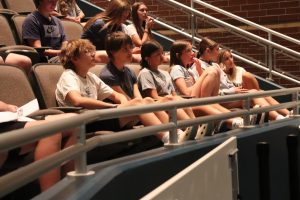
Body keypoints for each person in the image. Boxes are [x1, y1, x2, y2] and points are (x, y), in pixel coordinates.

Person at [55, 38, 181, 143]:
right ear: (74, 58)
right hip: (84, 122)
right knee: (138, 103)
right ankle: (168, 138)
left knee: (147, 101)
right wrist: (112, 107)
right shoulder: (69, 75)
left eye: (92, 50)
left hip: (99, 117)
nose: (93, 54)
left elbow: (117, 96)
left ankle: (177, 132)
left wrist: (122, 104)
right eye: (87, 51)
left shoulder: (91, 77)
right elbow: (77, 101)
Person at [99, 32, 197, 141]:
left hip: (136, 108)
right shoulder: (107, 74)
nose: (130, 52)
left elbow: (138, 98)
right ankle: (171, 136)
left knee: (166, 99)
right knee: (158, 100)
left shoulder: (129, 71)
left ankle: (191, 129)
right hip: (120, 115)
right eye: (124, 49)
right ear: (112, 52)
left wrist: (144, 103)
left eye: (130, 48)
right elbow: (124, 101)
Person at [197, 37, 289, 120]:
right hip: (221, 100)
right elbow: (206, 93)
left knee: (259, 92)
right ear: (208, 51)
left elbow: (226, 83)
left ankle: (288, 114)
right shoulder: (199, 66)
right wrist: (233, 91)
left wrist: (235, 89)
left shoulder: (215, 64)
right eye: (217, 50)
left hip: (230, 96)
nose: (218, 52)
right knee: (252, 94)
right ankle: (278, 118)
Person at [137, 40, 207, 139]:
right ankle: (192, 128)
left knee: (178, 100)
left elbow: (175, 95)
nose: (162, 57)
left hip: (170, 103)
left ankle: (197, 127)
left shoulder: (165, 73)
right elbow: (153, 98)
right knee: (172, 100)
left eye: (162, 53)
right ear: (147, 58)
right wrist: (171, 99)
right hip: (159, 108)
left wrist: (177, 99)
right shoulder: (145, 73)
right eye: (157, 55)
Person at [169, 40, 245, 130]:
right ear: (178, 55)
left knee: (214, 74)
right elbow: (186, 93)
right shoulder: (177, 69)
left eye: (192, 50)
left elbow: (201, 86)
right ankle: (228, 121)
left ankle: (236, 120)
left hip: (194, 98)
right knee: (212, 70)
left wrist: (199, 70)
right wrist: (202, 75)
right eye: (188, 51)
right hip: (187, 103)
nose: (193, 53)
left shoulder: (188, 70)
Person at [0, 100, 75, 191]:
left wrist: (8, 107)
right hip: (3, 127)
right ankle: (52, 195)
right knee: (50, 131)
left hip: (7, 120)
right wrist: (6, 107)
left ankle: (69, 186)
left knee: (74, 122)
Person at [218, 49, 290, 118]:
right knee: (256, 93)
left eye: (231, 56)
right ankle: (278, 116)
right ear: (221, 62)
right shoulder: (219, 74)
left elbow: (251, 86)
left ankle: (289, 114)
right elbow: (219, 93)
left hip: (245, 96)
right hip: (231, 101)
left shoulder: (239, 70)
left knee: (258, 90)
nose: (231, 60)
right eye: (226, 59)